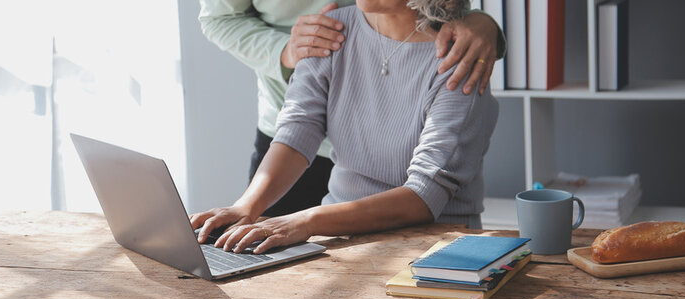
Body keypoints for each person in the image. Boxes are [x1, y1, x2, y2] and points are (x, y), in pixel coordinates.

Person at [190, 0, 499, 255]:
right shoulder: (329, 30)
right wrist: (245, 206)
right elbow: (299, 128)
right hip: (340, 245)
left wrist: (307, 220)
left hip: (437, 250)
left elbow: (424, 194)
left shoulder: (459, 61)